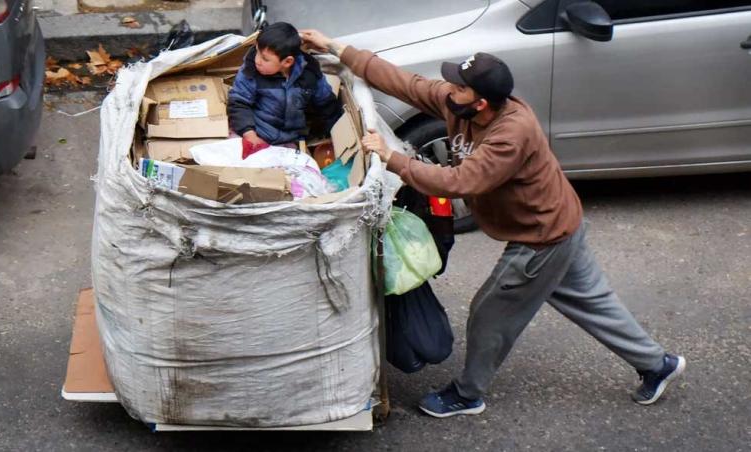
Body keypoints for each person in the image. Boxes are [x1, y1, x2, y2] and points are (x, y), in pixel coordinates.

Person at [300, 29, 686, 418]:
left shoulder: (510, 134)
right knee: (594, 303)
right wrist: (335, 47)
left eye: (458, 86)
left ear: (481, 102)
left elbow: (459, 181)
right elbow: (407, 83)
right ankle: (658, 365)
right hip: (561, 223)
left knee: (489, 315)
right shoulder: (461, 104)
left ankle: (467, 394)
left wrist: (391, 157)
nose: (448, 89)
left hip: (541, 237)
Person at [227, 22, 342, 158]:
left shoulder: (310, 73)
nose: (257, 60)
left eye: (265, 58)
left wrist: (334, 136)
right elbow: (239, 103)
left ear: (287, 62)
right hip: (255, 134)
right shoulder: (250, 70)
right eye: (257, 51)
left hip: (289, 141)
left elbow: (327, 106)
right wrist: (250, 135)